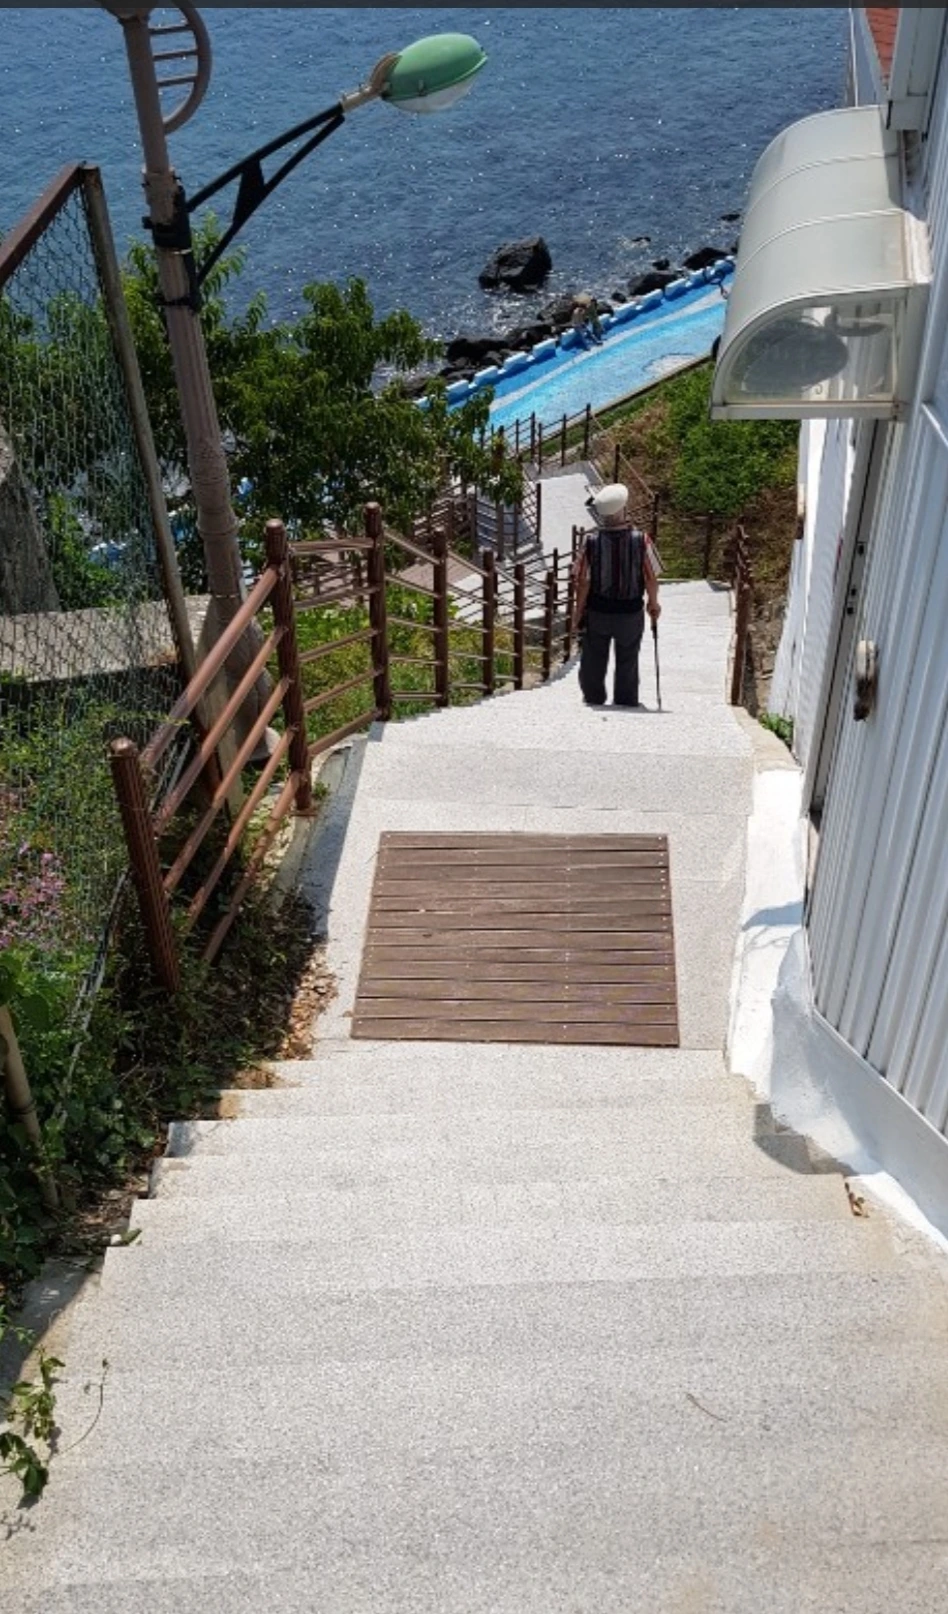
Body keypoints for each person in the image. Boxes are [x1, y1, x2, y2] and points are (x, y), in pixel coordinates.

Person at [571, 482, 661, 707]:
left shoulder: (590, 542)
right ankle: (625, 700)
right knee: (628, 659)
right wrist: (653, 603)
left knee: (593, 658)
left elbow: (583, 581)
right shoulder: (641, 540)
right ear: (622, 510)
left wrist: (578, 612)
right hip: (630, 612)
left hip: (598, 611)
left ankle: (593, 698)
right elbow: (651, 577)